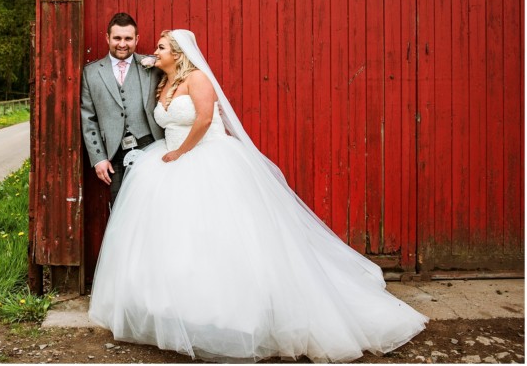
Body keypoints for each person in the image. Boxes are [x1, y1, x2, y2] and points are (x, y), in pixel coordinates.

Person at [88, 29, 428, 363]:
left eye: (161, 48)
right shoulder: (165, 81)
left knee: (223, 237)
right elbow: (150, 79)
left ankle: (234, 314)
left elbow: (205, 118)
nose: (154, 52)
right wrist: (150, 68)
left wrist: (180, 154)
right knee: (179, 240)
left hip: (204, 158)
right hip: (170, 158)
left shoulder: (198, 80)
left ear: (178, 54)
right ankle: (177, 311)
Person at [80, 12, 164, 203]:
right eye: (117, 38)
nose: (122, 43)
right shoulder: (91, 72)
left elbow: (181, 77)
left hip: (150, 146)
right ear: (107, 38)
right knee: (120, 208)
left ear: (137, 39)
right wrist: (98, 158)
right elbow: (88, 119)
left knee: (154, 204)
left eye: (128, 38)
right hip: (114, 154)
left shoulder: (152, 66)